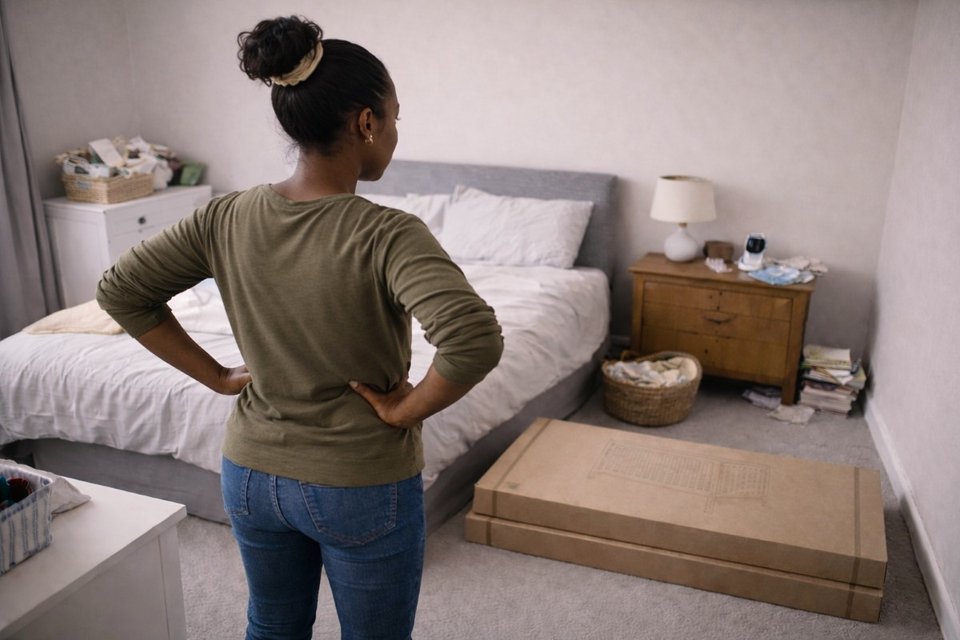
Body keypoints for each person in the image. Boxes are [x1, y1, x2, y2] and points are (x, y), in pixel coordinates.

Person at [96, 15, 503, 640]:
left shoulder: (227, 215)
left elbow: (121, 291)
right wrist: (406, 410)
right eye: (395, 118)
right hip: (359, 481)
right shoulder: (386, 232)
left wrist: (219, 377)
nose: (395, 133)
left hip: (250, 474)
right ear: (366, 122)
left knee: (274, 624)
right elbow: (472, 338)